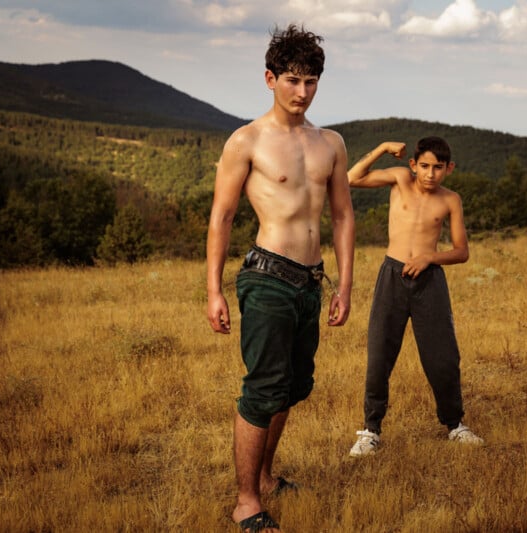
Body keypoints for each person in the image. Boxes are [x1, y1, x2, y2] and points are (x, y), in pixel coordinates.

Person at [206, 24, 354, 533]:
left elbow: (343, 217)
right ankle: (246, 502)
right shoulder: (246, 140)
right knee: (263, 388)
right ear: (270, 78)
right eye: (292, 79)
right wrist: (213, 291)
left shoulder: (330, 142)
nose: (302, 91)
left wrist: (346, 285)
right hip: (267, 277)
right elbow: (221, 217)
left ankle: (266, 477)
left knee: (292, 386)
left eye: (311, 81)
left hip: (311, 282)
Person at [346, 137, 483, 458]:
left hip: (429, 280)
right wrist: (380, 148)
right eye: (424, 166)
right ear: (413, 165)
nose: (430, 174)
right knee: (380, 352)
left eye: (438, 168)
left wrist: (429, 258)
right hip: (392, 276)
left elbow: (462, 252)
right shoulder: (399, 178)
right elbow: (351, 178)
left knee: (443, 356)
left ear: (449, 169)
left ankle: (454, 424)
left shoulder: (450, 200)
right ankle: (370, 430)